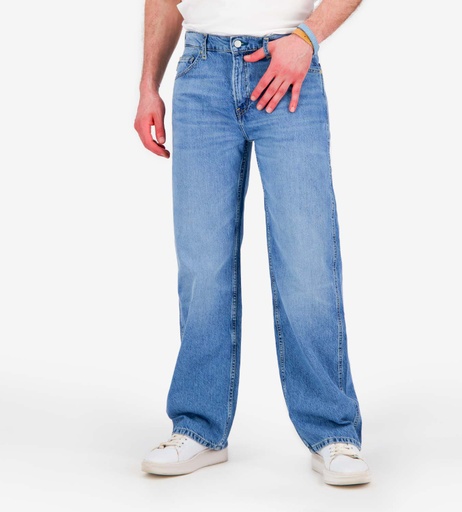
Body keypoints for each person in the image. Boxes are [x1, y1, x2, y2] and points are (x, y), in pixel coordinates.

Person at [134, 0, 370, 486]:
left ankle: (332, 431)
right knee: (202, 264)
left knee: (308, 263)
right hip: (201, 73)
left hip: (288, 67)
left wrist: (307, 39)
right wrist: (147, 86)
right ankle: (198, 427)